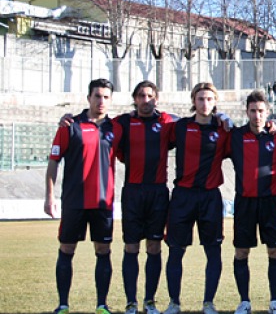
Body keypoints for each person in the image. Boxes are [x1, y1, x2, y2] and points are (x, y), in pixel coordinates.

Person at [45, 78, 117, 314]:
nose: (101, 101)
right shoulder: (70, 125)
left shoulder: (115, 128)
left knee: (103, 251)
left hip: (102, 202)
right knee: (67, 249)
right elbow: (54, 161)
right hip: (74, 201)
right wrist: (50, 197)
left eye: (106, 97)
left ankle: (101, 305)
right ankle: (63, 304)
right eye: (97, 96)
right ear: (89, 98)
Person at [164, 82, 230, 314]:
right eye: (200, 99)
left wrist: (272, 126)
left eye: (210, 99)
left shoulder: (224, 130)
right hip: (182, 197)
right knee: (175, 250)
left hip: (210, 197)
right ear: (193, 100)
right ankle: (174, 303)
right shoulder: (179, 127)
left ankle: (208, 303)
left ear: (215, 102)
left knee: (213, 251)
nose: (205, 103)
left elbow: (249, 135)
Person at [115, 81, 175, 314]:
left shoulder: (166, 122)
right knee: (131, 247)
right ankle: (131, 302)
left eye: (150, 95)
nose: (146, 99)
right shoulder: (123, 122)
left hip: (158, 192)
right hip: (132, 191)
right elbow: (118, 150)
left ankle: (149, 301)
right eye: (141, 95)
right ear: (135, 98)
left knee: (154, 246)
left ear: (156, 98)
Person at [229, 90, 276, 314]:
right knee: (241, 252)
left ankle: (275, 301)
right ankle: (244, 301)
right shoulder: (235, 136)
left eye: (261, 111)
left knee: (274, 251)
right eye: (253, 111)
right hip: (244, 203)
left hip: (271, 203)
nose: (257, 115)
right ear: (247, 112)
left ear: (268, 112)